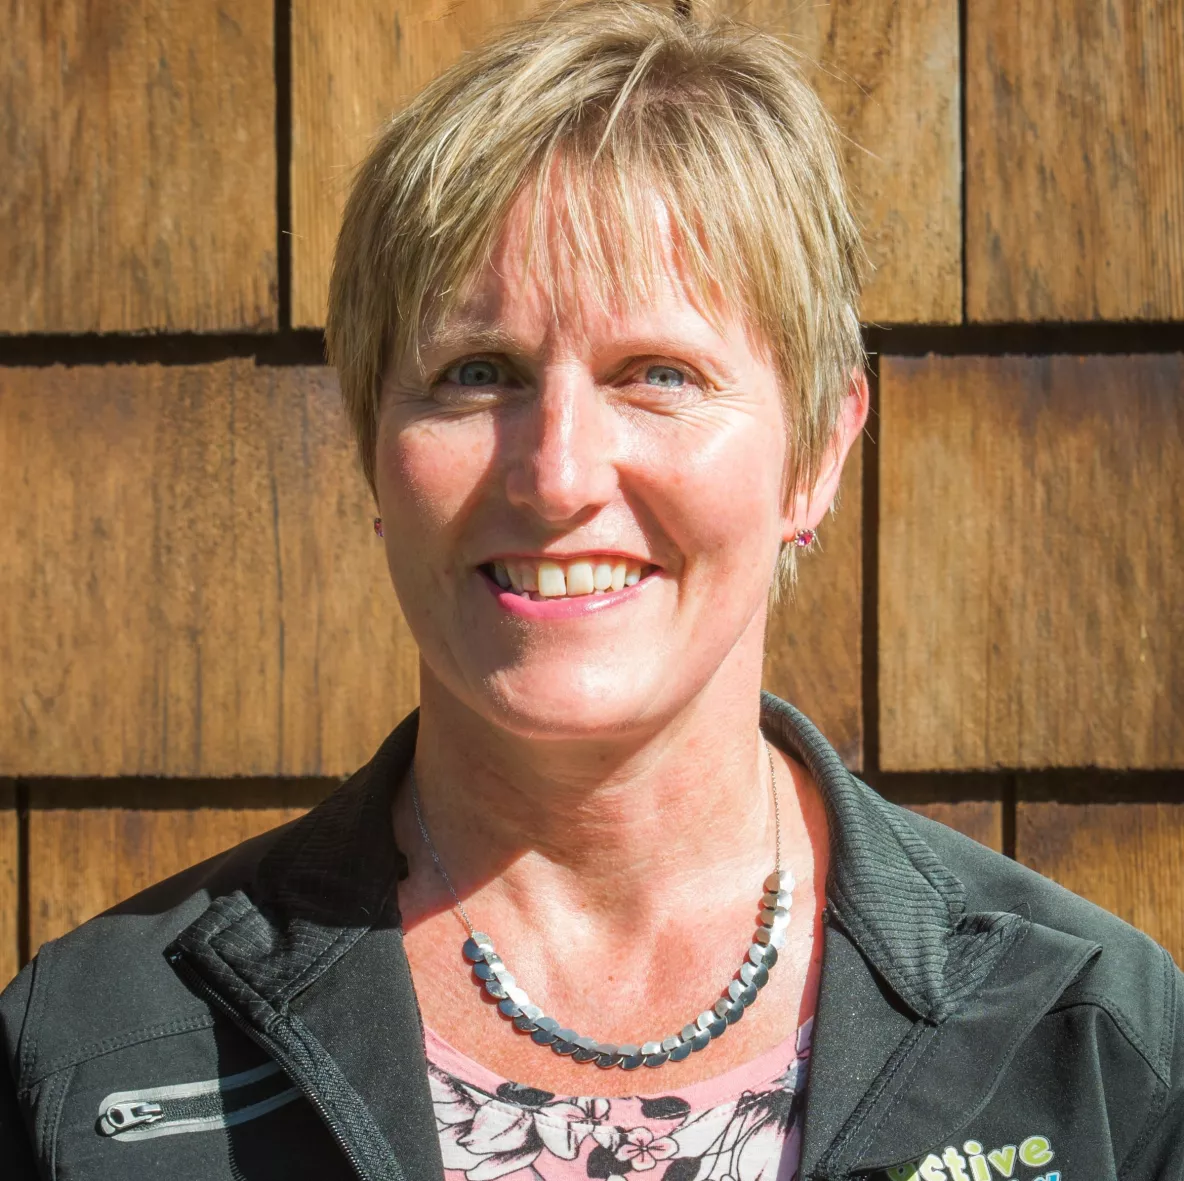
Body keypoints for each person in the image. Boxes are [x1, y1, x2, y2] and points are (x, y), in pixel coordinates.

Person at [2, 2, 1181, 1178]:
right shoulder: (91, 1051)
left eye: (656, 373)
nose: (556, 474)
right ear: (373, 444)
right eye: (476, 373)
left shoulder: (1093, 1043)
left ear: (816, 451)